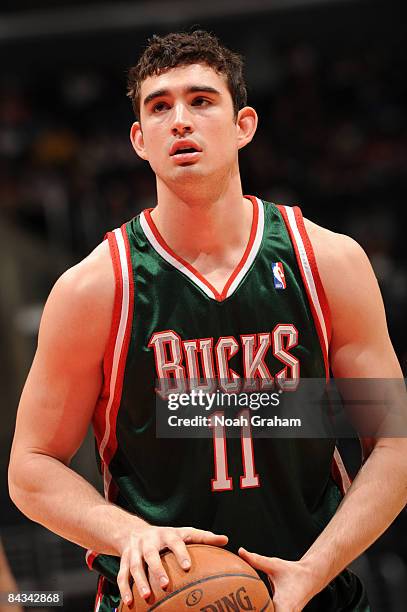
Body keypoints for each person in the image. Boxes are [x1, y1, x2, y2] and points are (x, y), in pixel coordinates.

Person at [8, 30, 407, 612]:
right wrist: (129, 533)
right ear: (139, 141)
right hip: (158, 597)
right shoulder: (95, 288)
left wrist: (311, 571)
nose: (181, 121)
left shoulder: (328, 262)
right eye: (160, 106)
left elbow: (394, 443)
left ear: (243, 124)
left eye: (201, 100)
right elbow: (31, 466)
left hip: (315, 593)